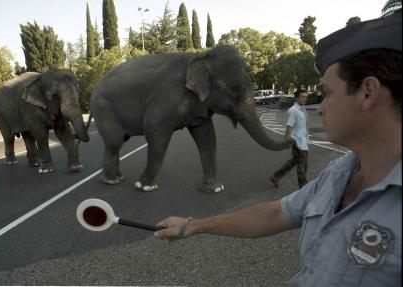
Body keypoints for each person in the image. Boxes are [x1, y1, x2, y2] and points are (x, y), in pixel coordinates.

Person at [154, 15, 401, 287]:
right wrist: (193, 226)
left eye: (327, 93)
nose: (320, 107)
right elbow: (273, 214)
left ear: (368, 92)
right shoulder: (338, 175)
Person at [270, 88, 309, 188]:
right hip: (297, 142)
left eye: (306, 97)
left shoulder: (302, 108)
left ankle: (275, 176)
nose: (305, 99)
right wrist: (285, 142)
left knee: (294, 162)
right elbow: (289, 127)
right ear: (296, 98)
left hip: (303, 141)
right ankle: (303, 188)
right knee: (302, 165)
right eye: (302, 97)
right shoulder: (293, 111)